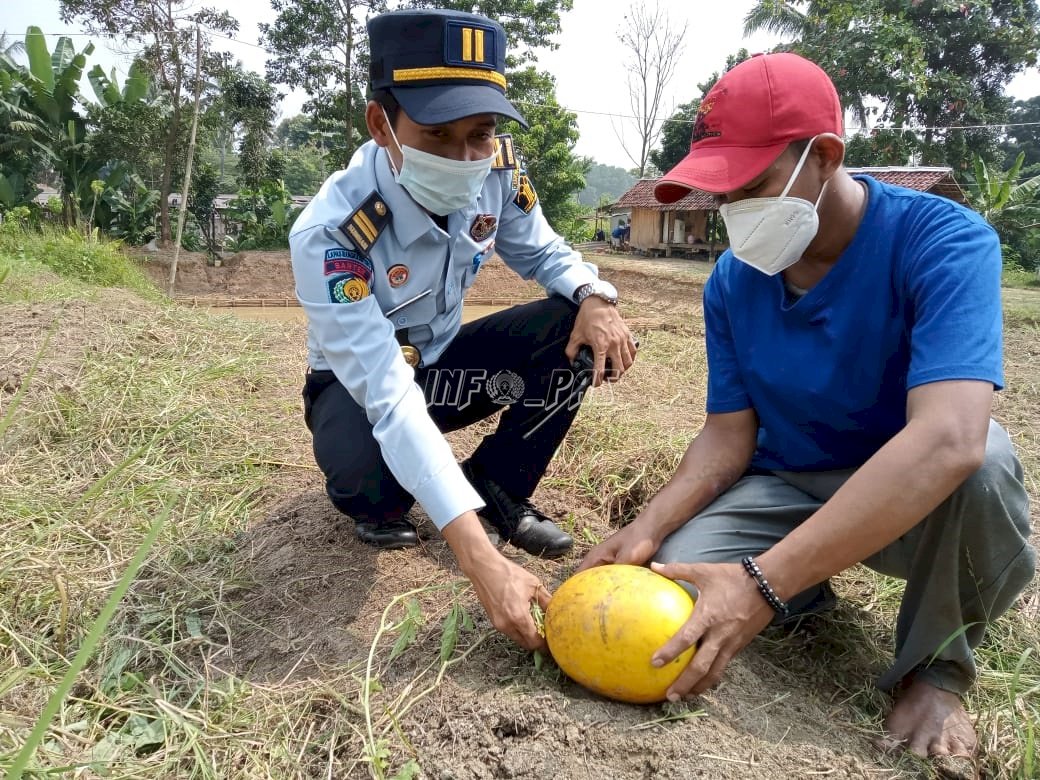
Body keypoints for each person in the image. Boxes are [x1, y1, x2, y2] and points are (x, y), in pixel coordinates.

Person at [578, 52, 1034, 760]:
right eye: (719, 196)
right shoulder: (732, 281)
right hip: (790, 483)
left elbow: (949, 439)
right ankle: (807, 592)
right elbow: (728, 438)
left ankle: (937, 669)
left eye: (751, 186)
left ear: (823, 156)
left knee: (983, 465)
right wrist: (644, 529)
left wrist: (760, 584)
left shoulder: (942, 242)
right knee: (679, 567)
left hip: (916, 498)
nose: (732, 214)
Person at [289, 8, 637, 651]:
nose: (464, 156)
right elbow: (389, 391)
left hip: (445, 372)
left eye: (479, 133)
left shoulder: (495, 170)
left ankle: (498, 488)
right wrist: (479, 561)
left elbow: (544, 253)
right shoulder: (331, 233)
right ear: (380, 124)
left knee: (568, 323)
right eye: (437, 134)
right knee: (374, 490)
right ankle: (392, 495)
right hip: (360, 388)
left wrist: (595, 295)